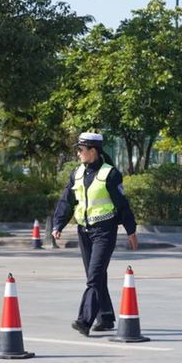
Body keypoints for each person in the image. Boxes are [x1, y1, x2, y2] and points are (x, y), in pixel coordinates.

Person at [52, 132, 138, 336]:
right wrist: (58, 224)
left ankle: (84, 320)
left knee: (94, 276)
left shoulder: (111, 174)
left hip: (104, 231)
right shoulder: (77, 173)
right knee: (97, 275)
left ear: (93, 151)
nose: (78, 153)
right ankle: (106, 317)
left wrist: (131, 231)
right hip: (84, 230)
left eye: (81, 149)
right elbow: (67, 200)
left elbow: (122, 205)